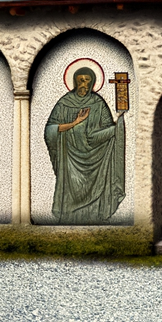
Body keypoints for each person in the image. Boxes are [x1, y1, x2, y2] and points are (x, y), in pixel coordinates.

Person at [44, 66, 126, 223]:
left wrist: (119, 125)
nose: (83, 84)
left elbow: (108, 128)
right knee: (71, 194)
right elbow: (50, 130)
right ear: (74, 81)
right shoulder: (64, 103)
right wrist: (75, 123)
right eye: (80, 80)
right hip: (69, 158)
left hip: (97, 158)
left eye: (87, 80)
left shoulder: (98, 103)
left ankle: (95, 213)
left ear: (93, 82)